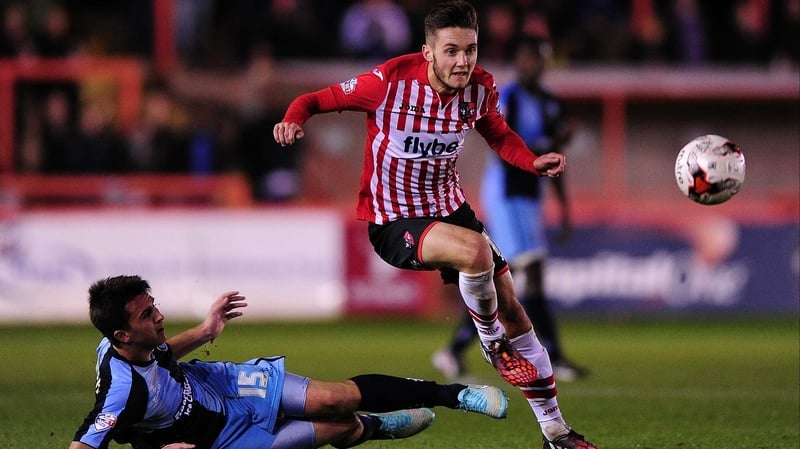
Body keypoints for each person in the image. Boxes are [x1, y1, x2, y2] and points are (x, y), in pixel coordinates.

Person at [273, 2, 599, 448]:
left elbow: (498, 135)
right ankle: (490, 344)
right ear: (427, 52)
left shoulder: (480, 88)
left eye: (471, 49)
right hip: (393, 219)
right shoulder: (387, 82)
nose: (463, 61)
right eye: (451, 51)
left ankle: (556, 431)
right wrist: (292, 120)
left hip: (449, 208)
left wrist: (532, 161)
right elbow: (314, 99)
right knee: (476, 253)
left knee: (516, 310)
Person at [69, 275, 509, 449]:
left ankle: (457, 394)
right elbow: (86, 444)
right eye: (148, 315)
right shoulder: (121, 390)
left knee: (335, 398)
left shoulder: (126, 343)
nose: (160, 316)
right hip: (219, 441)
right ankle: (376, 426)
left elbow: (162, 353)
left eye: (154, 305)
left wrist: (205, 331)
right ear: (123, 335)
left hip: (217, 385)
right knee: (342, 426)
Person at [432, 35, 588, 382]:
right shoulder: (508, 98)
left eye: (538, 58)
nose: (533, 64)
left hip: (532, 197)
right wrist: (554, 143)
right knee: (529, 275)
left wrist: (563, 209)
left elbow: (555, 161)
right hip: (506, 193)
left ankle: (453, 350)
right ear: (518, 61)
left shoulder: (550, 102)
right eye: (527, 57)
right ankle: (556, 356)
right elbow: (507, 147)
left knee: (503, 283)